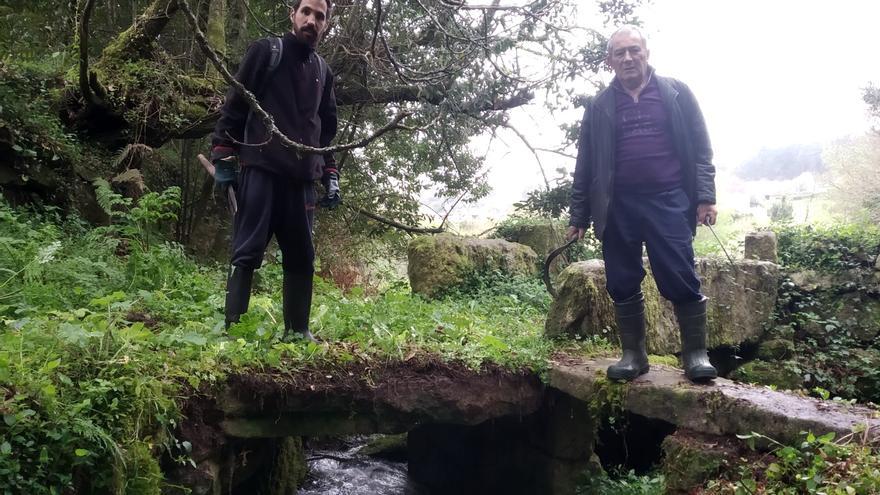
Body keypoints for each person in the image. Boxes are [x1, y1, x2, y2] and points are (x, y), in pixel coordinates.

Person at [566, 25, 718, 382]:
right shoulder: (600, 106)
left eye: (634, 50)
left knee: (679, 274)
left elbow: (701, 148)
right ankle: (634, 356)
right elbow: (585, 164)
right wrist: (579, 215)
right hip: (617, 206)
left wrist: (706, 196)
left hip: (668, 200)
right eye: (620, 53)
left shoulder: (676, 93)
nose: (628, 58)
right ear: (609, 61)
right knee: (621, 279)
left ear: (647, 53)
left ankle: (696, 355)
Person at [210, 0, 338, 342]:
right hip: (261, 171)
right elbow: (235, 107)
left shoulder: (323, 72)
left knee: (301, 258)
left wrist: (329, 173)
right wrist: (223, 157)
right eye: (306, 12)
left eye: (320, 16)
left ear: (325, 24)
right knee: (247, 251)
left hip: (302, 183)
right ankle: (234, 333)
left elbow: (325, 132)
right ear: (292, 15)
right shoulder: (266, 52)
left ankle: (298, 332)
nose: (311, 20)